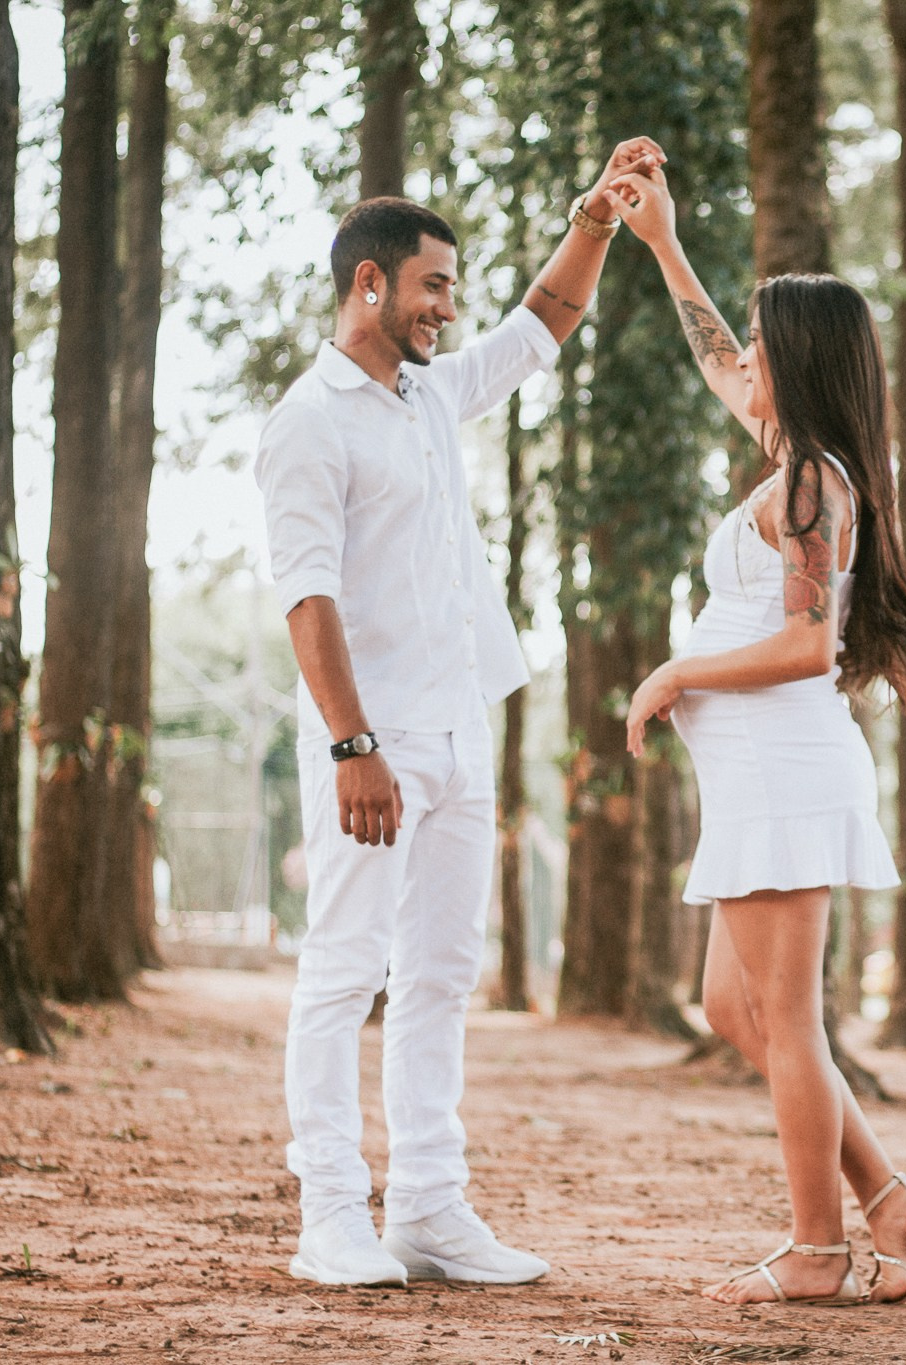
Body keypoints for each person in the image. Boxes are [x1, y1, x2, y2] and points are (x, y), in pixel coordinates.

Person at [254, 136, 663, 1287]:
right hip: (367, 742)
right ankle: (330, 1214)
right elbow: (307, 594)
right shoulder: (310, 420)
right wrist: (351, 745)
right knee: (342, 971)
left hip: (457, 729)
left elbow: (541, 324)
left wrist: (596, 219)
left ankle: (428, 1209)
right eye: (433, 284)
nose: (449, 305)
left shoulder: (427, 394)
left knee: (439, 973)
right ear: (369, 284)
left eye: (452, 287)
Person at [604, 163, 906, 1307]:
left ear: (794, 357)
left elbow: (809, 645)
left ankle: (817, 1250)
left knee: (788, 1023)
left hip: (784, 767)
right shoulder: (792, 458)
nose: (739, 357)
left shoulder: (810, 482)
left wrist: (675, 670)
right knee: (732, 1012)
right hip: (755, 773)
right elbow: (713, 354)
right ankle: (891, 1199)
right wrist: (659, 243)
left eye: (759, 341)